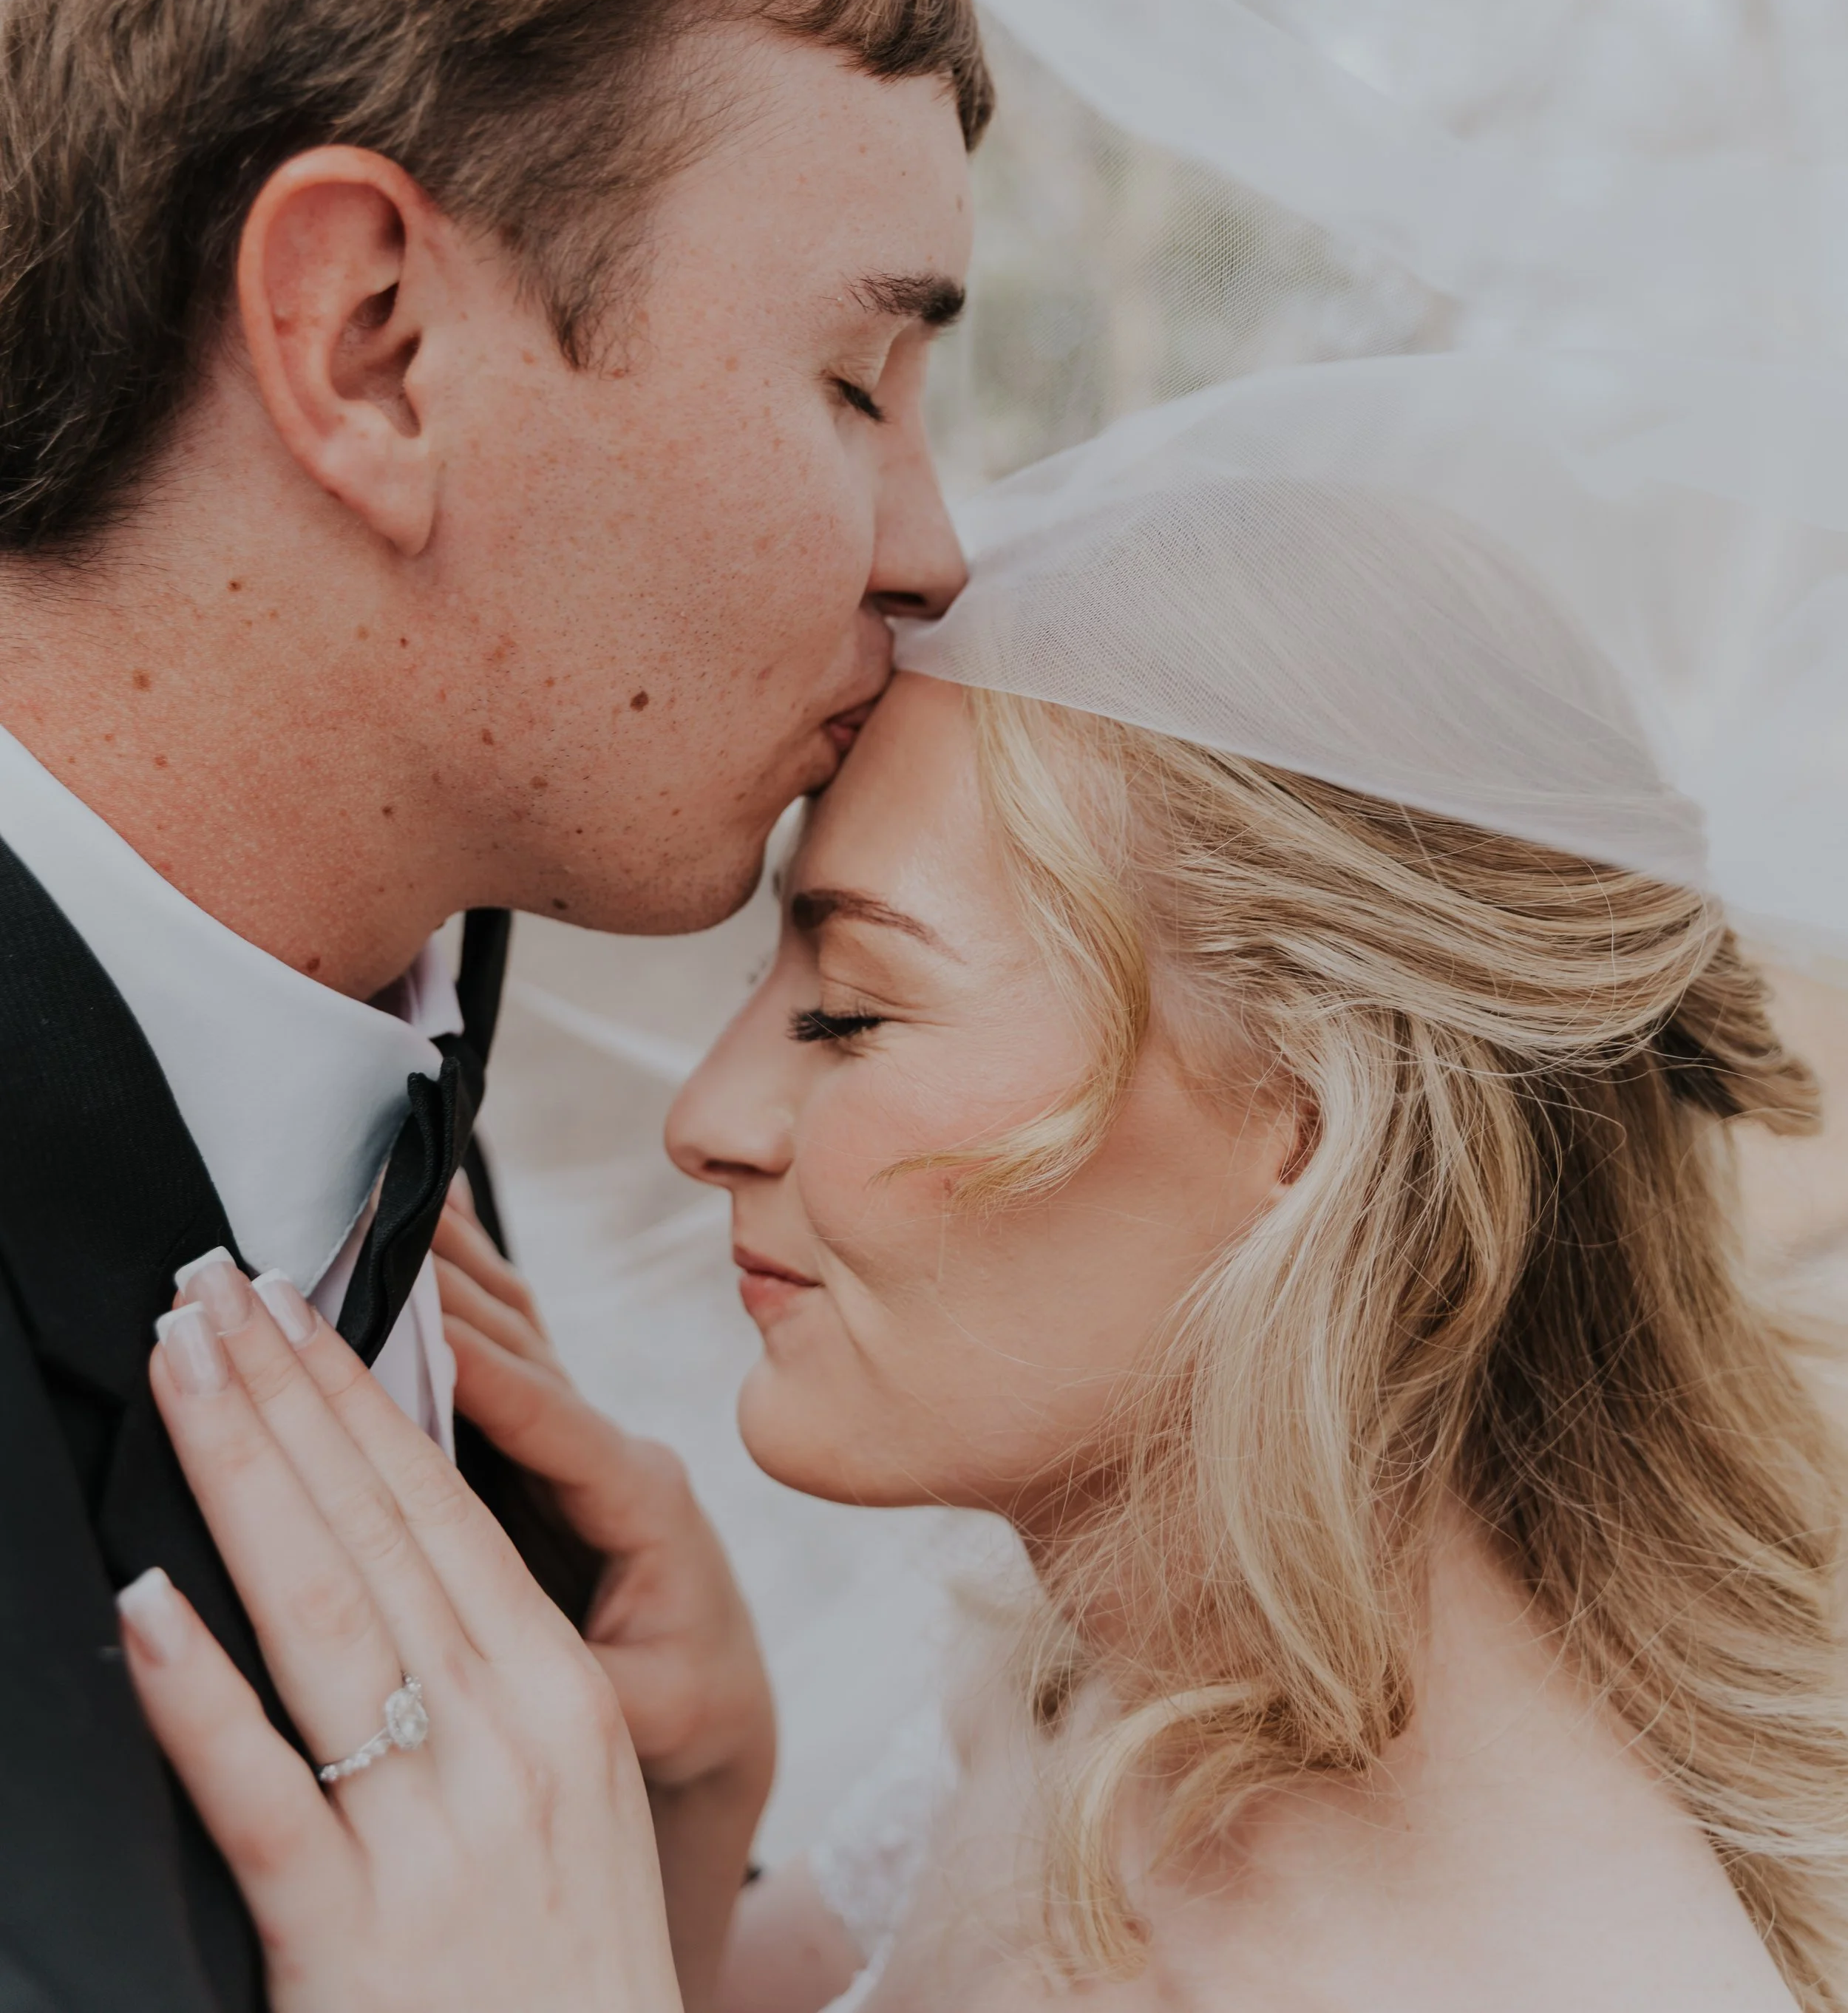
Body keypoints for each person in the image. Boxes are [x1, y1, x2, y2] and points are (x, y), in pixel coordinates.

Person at [124, 444, 1848, 2009]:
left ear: (1300, 1129)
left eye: (853, 1013)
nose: (706, 1120)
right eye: (765, 983)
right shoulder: (1081, 1707)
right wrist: (698, 1787)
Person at [0, 0, 988, 2013]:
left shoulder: (386, 1018)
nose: (933, 549)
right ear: (374, 347)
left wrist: (681, 1876)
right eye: (858, 379)